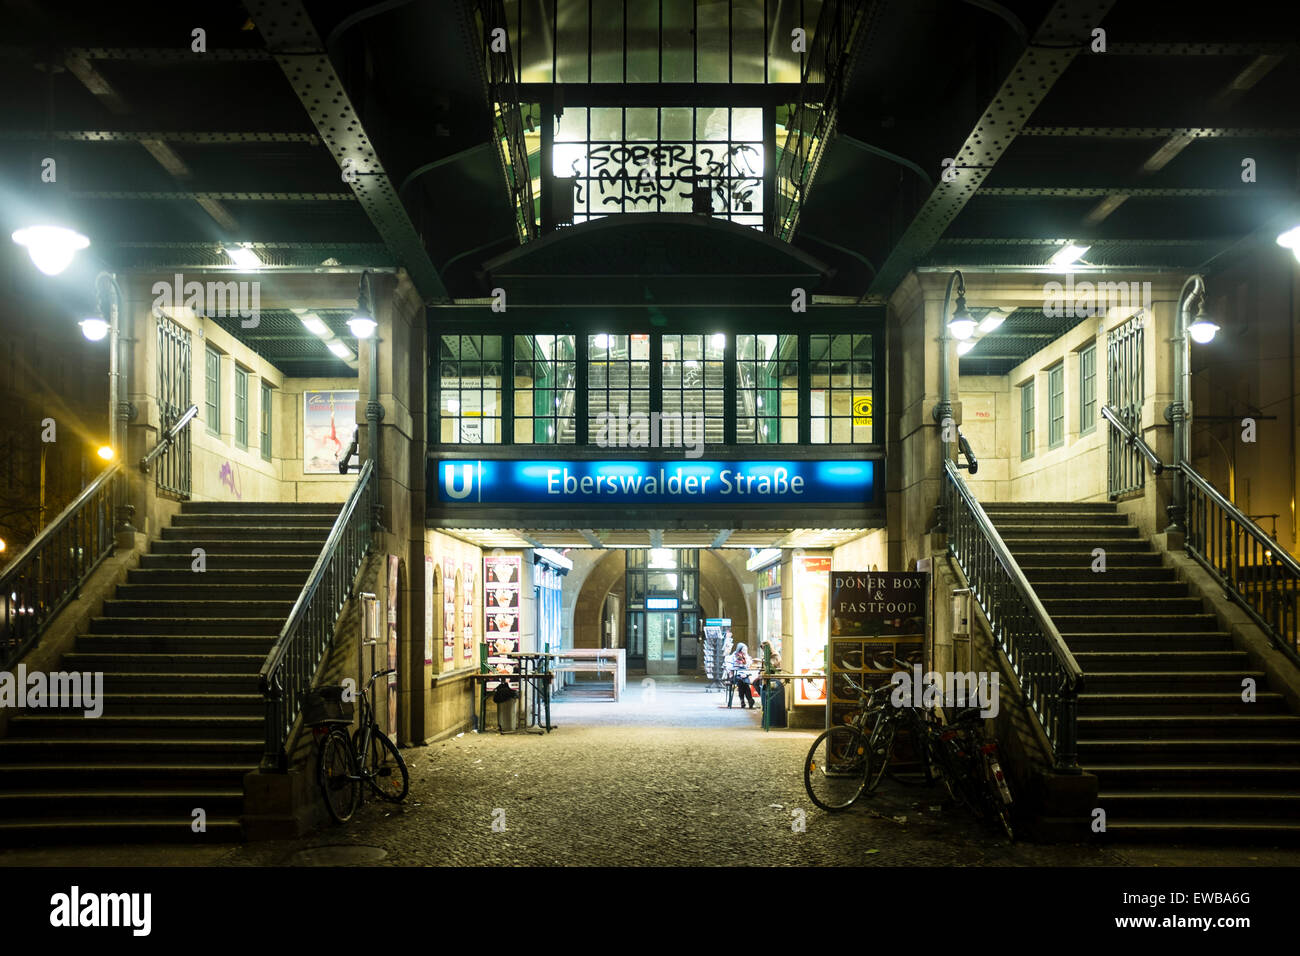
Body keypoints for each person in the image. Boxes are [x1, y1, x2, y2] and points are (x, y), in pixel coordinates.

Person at [728, 641, 756, 709]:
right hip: (735, 675)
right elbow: (729, 667)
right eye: (744, 650)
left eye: (746, 650)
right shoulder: (732, 657)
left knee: (744, 682)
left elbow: (748, 666)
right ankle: (750, 700)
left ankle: (743, 701)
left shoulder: (746, 657)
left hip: (744, 675)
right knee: (742, 682)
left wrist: (746, 660)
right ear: (739, 649)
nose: (745, 651)